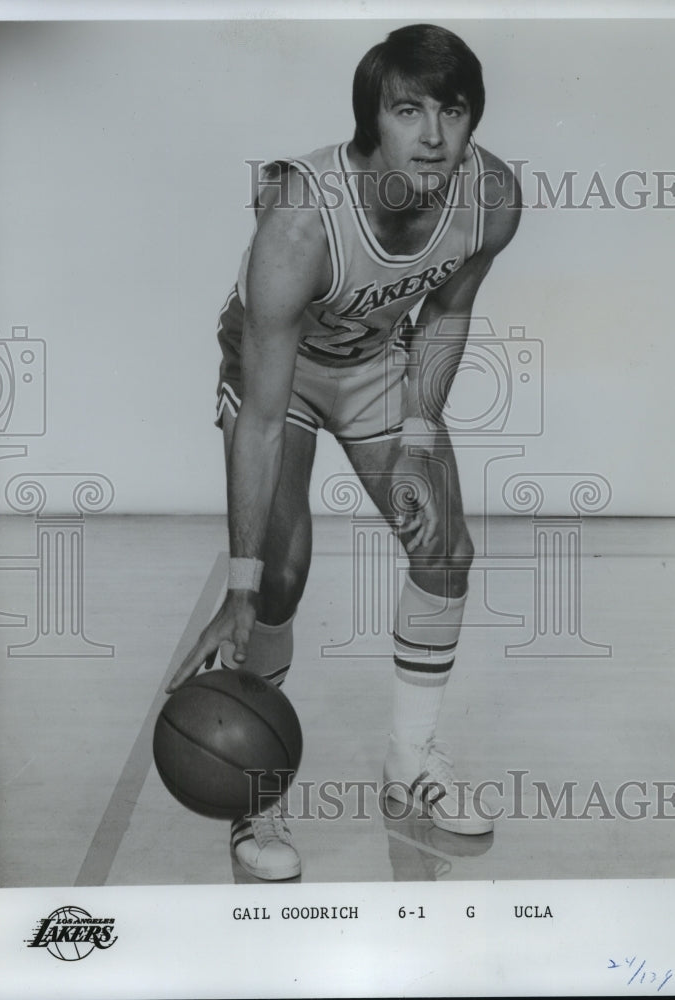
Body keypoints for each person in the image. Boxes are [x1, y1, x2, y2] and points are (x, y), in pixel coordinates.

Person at [167, 22, 520, 880]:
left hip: (369, 365)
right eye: (409, 110)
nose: (433, 135)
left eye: (453, 110)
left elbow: (445, 313)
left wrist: (418, 432)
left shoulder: (491, 197)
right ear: (373, 120)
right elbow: (257, 413)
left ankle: (410, 762)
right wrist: (240, 582)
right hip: (275, 378)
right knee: (280, 578)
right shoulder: (301, 220)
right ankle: (254, 799)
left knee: (443, 546)